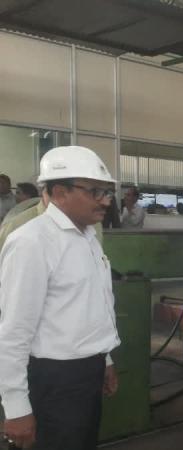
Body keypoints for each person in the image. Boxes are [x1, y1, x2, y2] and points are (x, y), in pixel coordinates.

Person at [0, 146, 121, 450]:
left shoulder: (88, 237)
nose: (106, 201)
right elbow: (13, 331)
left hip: (87, 372)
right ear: (59, 192)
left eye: (107, 192)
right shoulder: (32, 242)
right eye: (95, 191)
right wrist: (16, 407)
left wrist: (104, 359)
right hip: (54, 380)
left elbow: (93, 308)